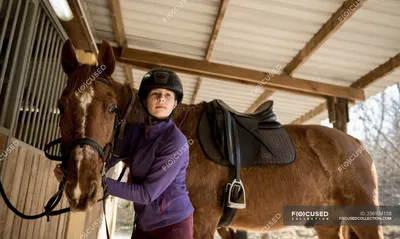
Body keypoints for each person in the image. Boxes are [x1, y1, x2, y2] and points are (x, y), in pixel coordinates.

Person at [54, 68, 194, 239]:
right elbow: (107, 161)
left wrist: (102, 184)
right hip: (143, 223)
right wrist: (76, 173)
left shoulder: (176, 142)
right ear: (144, 100)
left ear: (175, 104)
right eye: (155, 93)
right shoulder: (135, 133)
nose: (161, 98)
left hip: (173, 227)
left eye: (168, 95)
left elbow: (147, 194)